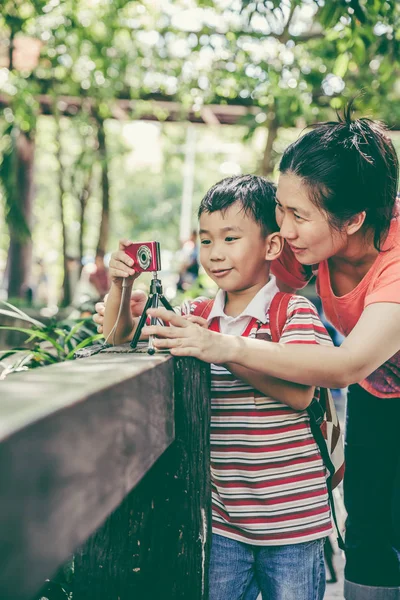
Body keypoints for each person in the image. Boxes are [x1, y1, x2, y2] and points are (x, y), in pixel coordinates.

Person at [145, 114, 400, 600]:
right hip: (382, 388)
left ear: (352, 220)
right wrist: (152, 309)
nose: (283, 229)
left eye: (297, 215)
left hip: (367, 371)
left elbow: (348, 365)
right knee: (366, 524)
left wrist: (224, 346)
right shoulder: (302, 237)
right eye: (281, 209)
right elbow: (240, 280)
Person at [100, 175, 334, 600]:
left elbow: (301, 393)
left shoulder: (292, 311)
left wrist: (219, 347)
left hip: (294, 522)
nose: (215, 254)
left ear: (271, 246)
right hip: (224, 522)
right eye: (206, 241)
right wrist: (122, 285)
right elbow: (120, 337)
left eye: (230, 238)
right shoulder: (196, 313)